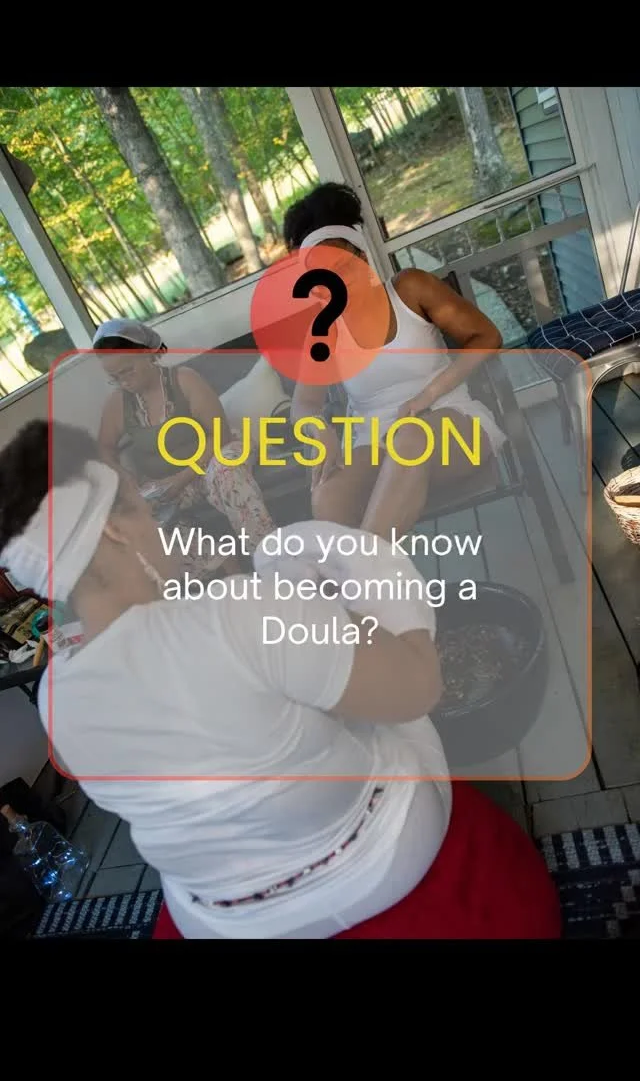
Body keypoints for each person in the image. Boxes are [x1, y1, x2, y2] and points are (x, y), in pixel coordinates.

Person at [0, 418, 562, 941]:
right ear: (115, 528)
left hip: (217, 919)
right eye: (142, 506)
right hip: (372, 874)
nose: (156, 522)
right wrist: (369, 563)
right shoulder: (240, 613)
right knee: (397, 717)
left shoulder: (54, 695)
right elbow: (419, 686)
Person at [285, 183, 506, 539]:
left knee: (412, 437)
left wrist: (427, 395)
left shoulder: (409, 288)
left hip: (450, 423)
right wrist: (319, 431)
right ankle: (369, 571)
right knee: (327, 495)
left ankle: (366, 567)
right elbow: (303, 404)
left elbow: (487, 337)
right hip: (375, 445)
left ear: (361, 255)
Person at [93, 320, 275, 575]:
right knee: (134, 516)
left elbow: (219, 434)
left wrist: (180, 479)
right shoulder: (118, 404)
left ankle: (272, 561)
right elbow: (105, 448)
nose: (124, 382)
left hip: (214, 459)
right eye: (115, 378)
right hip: (170, 485)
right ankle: (229, 571)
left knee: (226, 472)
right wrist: (125, 477)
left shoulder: (185, 380)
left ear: (146, 354)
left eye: (128, 371)